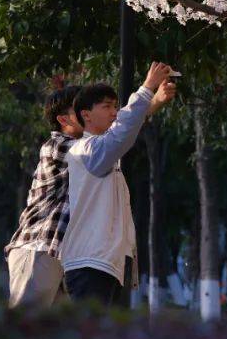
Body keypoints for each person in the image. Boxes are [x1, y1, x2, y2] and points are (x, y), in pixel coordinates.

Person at [61, 62, 177, 305]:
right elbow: (121, 132)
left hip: (103, 263)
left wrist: (152, 101)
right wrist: (146, 89)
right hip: (89, 263)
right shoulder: (87, 150)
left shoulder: (101, 152)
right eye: (107, 107)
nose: (114, 112)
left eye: (115, 106)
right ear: (86, 114)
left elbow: (124, 129)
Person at [5, 85, 83, 308]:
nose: (89, 113)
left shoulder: (87, 147)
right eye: (82, 108)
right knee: (22, 330)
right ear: (63, 119)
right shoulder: (57, 146)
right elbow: (106, 145)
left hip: (60, 253)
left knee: (52, 338)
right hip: (37, 248)